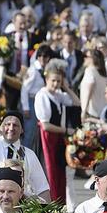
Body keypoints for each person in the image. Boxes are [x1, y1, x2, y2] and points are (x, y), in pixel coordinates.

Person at [34, 63, 80, 205]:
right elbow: (45, 125)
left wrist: (65, 87)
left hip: (57, 139)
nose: (55, 84)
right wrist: (66, 130)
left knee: (59, 174)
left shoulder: (58, 95)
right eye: (53, 80)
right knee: (50, 174)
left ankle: (60, 205)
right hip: (46, 139)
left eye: (58, 81)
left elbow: (77, 103)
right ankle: (50, 205)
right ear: (46, 79)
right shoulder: (42, 95)